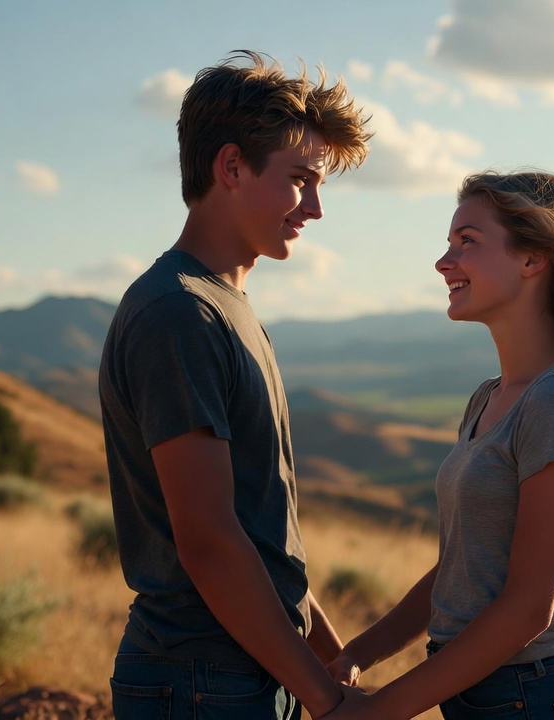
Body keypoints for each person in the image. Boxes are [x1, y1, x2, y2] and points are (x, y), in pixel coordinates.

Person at [324, 170, 554, 720]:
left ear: (532, 257)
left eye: (467, 241)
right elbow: (461, 567)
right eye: (450, 243)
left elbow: (526, 611)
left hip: (534, 700)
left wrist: (378, 711)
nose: (444, 261)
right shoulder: (488, 399)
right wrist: (356, 655)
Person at [98, 50, 372, 719]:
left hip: (238, 673)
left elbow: (257, 527)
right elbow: (211, 541)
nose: (313, 208)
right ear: (230, 167)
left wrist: (327, 658)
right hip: (200, 680)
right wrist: (323, 696)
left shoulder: (224, 305)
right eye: (300, 180)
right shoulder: (179, 313)